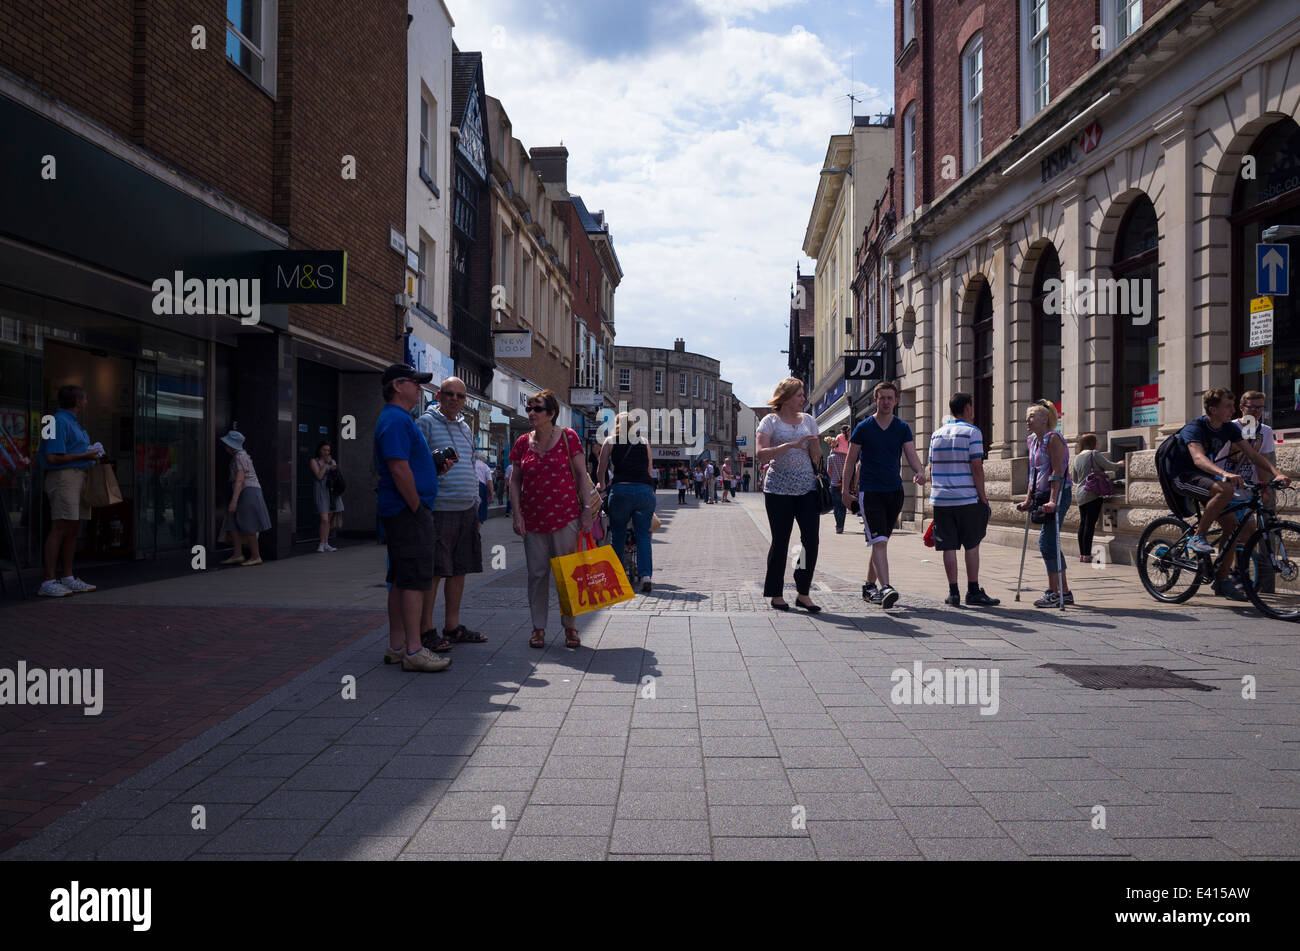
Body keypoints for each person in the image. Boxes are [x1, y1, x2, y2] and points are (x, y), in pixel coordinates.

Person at [1170, 387, 1289, 601]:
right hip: (1183, 476)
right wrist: (1225, 473)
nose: (1233, 410)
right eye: (1228, 406)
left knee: (1234, 527)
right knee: (1224, 489)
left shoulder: (1228, 428)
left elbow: (1253, 454)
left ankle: (1223, 580)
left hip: (1207, 478)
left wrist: (1276, 474)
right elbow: (1198, 459)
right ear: (1213, 409)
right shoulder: (1195, 427)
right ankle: (1198, 537)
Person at [375, 364, 451, 673]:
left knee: (400, 578)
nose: (420, 388)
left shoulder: (400, 419)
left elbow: (406, 466)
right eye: (415, 383)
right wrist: (417, 507)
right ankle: (414, 649)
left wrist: (431, 470)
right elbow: (398, 467)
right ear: (397, 385)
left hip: (403, 511)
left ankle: (397, 646)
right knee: (415, 581)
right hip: (407, 512)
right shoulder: (395, 420)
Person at [511, 389, 599, 649]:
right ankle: (538, 628)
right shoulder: (522, 442)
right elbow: (515, 480)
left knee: (567, 574)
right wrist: (517, 514)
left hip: (566, 517)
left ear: (551, 413)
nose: (531, 413)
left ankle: (570, 626)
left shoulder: (569, 438)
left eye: (537, 409)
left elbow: (582, 475)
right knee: (536, 575)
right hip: (533, 520)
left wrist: (586, 510)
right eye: (529, 408)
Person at [415, 376, 488, 650]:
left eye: (460, 395)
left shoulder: (466, 428)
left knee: (459, 570)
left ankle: (452, 626)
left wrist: (475, 505)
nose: (455, 399)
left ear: (465, 400)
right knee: (434, 571)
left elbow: (469, 465)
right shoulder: (426, 422)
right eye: (449, 394)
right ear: (438, 395)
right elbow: (417, 464)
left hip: (466, 510)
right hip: (439, 509)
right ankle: (426, 630)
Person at [843, 382, 928, 610]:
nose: (886, 402)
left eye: (890, 398)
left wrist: (920, 471)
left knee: (880, 541)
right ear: (875, 400)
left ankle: (869, 585)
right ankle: (886, 587)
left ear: (896, 401)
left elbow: (911, 454)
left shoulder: (902, 428)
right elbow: (851, 460)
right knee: (879, 541)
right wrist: (845, 491)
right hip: (870, 492)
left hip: (895, 492)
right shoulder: (864, 427)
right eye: (882, 398)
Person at [756, 377, 823, 612]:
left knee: (810, 541)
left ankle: (803, 591)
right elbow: (761, 455)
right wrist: (789, 446)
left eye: (803, 395)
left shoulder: (809, 421)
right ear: (785, 398)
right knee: (781, 541)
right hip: (778, 489)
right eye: (799, 395)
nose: (804, 399)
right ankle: (775, 592)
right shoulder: (770, 421)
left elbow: (816, 457)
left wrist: (817, 448)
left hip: (806, 489)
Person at [928, 393, 999, 607]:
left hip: (941, 500)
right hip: (967, 498)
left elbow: (931, 468)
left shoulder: (936, 435)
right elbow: (976, 467)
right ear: (968, 408)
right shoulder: (972, 432)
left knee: (948, 546)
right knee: (971, 545)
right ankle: (973, 590)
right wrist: (983, 497)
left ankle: (953, 593)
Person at [36, 384, 102, 597]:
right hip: (64, 478)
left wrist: (89, 453)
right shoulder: (58, 421)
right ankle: (48, 580)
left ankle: (67, 576)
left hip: (77, 476)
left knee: (72, 527)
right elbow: (52, 457)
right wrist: (85, 455)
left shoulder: (69, 421)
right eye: (84, 399)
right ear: (76, 401)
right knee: (60, 526)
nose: (85, 403)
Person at [1016, 400, 1072, 608]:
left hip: (1058, 494)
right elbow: (1034, 471)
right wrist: (1029, 498)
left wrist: (1052, 500)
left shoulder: (1053, 439)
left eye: (1031, 416)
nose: (1027, 420)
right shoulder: (1032, 441)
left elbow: (1058, 471)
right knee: (1050, 543)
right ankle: (1063, 591)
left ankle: (1055, 591)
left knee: (1047, 542)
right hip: (1042, 494)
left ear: (1044, 419)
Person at [597, 412, 657, 593]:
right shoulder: (644, 442)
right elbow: (649, 470)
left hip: (621, 491)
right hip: (644, 493)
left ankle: (618, 574)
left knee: (618, 533)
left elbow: (601, 469)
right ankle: (646, 576)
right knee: (644, 535)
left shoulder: (610, 441)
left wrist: (603, 487)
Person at [217, 430, 272, 567]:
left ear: (231, 445)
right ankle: (238, 554)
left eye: (226, 444)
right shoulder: (239, 456)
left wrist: (234, 501)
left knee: (248, 523)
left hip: (248, 491)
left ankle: (255, 556)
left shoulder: (240, 456)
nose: (225, 446)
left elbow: (240, 479)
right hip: (245, 491)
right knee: (233, 521)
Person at [1216, 390, 1275, 504]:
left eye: (1260, 407)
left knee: (1247, 519)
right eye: (1252, 407)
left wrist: (1264, 489)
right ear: (1241, 407)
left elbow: (1262, 461)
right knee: (1230, 520)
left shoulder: (1266, 431)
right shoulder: (1228, 426)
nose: (1256, 411)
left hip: (1247, 487)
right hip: (1224, 483)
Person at [1071, 434, 1122, 564]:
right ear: (1092, 443)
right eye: (1097, 441)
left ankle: (1083, 554)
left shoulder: (1077, 457)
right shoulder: (1094, 453)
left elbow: (1075, 479)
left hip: (1080, 494)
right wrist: (1120, 464)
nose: (1098, 444)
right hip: (1093, 493)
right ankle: (1087, 555)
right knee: (1089, 524)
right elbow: (1110, 465)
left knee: (1083, 524)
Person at [309, 441, 343, 553]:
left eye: (328, 450)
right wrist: (326, 464)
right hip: (321, 491)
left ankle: (325, 543)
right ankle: (321, 544)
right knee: (324, 518)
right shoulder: (314, 461)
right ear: (319, 450)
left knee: (328, 519)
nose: (326, 452)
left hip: (331, 491)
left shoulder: (332, 461)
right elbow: (319, 476)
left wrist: (333, 467)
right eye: (324, 450)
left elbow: (335, 474)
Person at [827, 425, 850, 534]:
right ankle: (842, 525)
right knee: (843, 505)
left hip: (835, 483)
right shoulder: (847, 457)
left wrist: (833, 478)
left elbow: (829, 471)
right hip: (845, 483)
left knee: (836, 506)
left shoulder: (831, 457)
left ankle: (839, 526)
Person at [474, 454, 494, 524]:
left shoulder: (472, 463)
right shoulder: (486, 467)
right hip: (481, 488)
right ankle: (476, 532)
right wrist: (491, 494)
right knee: (481, 512)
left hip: (471, 486)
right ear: (484, 459)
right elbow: (489, 482)